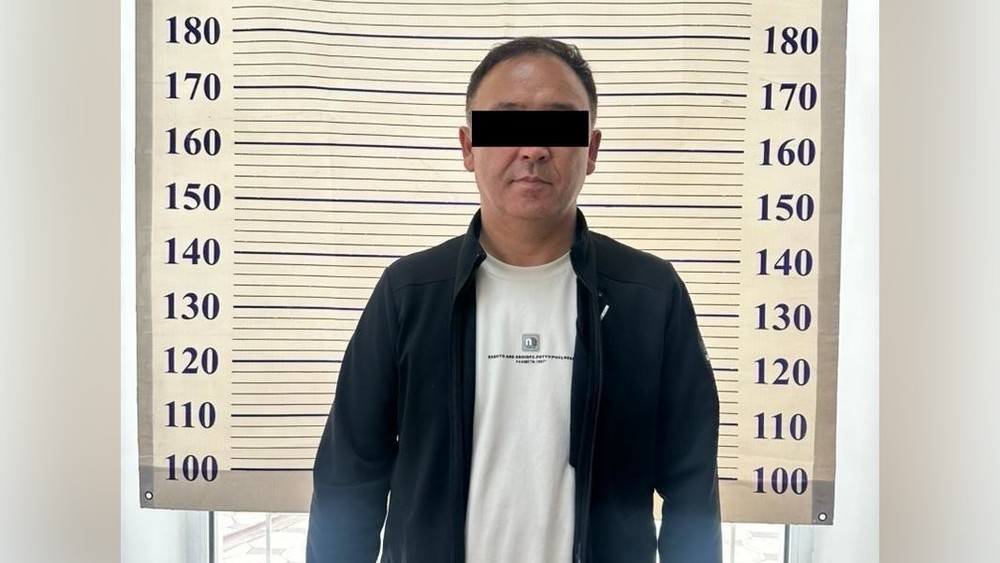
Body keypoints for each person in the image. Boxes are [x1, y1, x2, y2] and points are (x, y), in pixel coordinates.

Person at [307, 37, 722, 563]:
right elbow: (349, 480)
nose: (533, 149)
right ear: (467, 147)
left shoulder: (651, 296)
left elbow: (692, 492)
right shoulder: (408, 293)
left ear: (592, 149)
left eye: (559, 125)